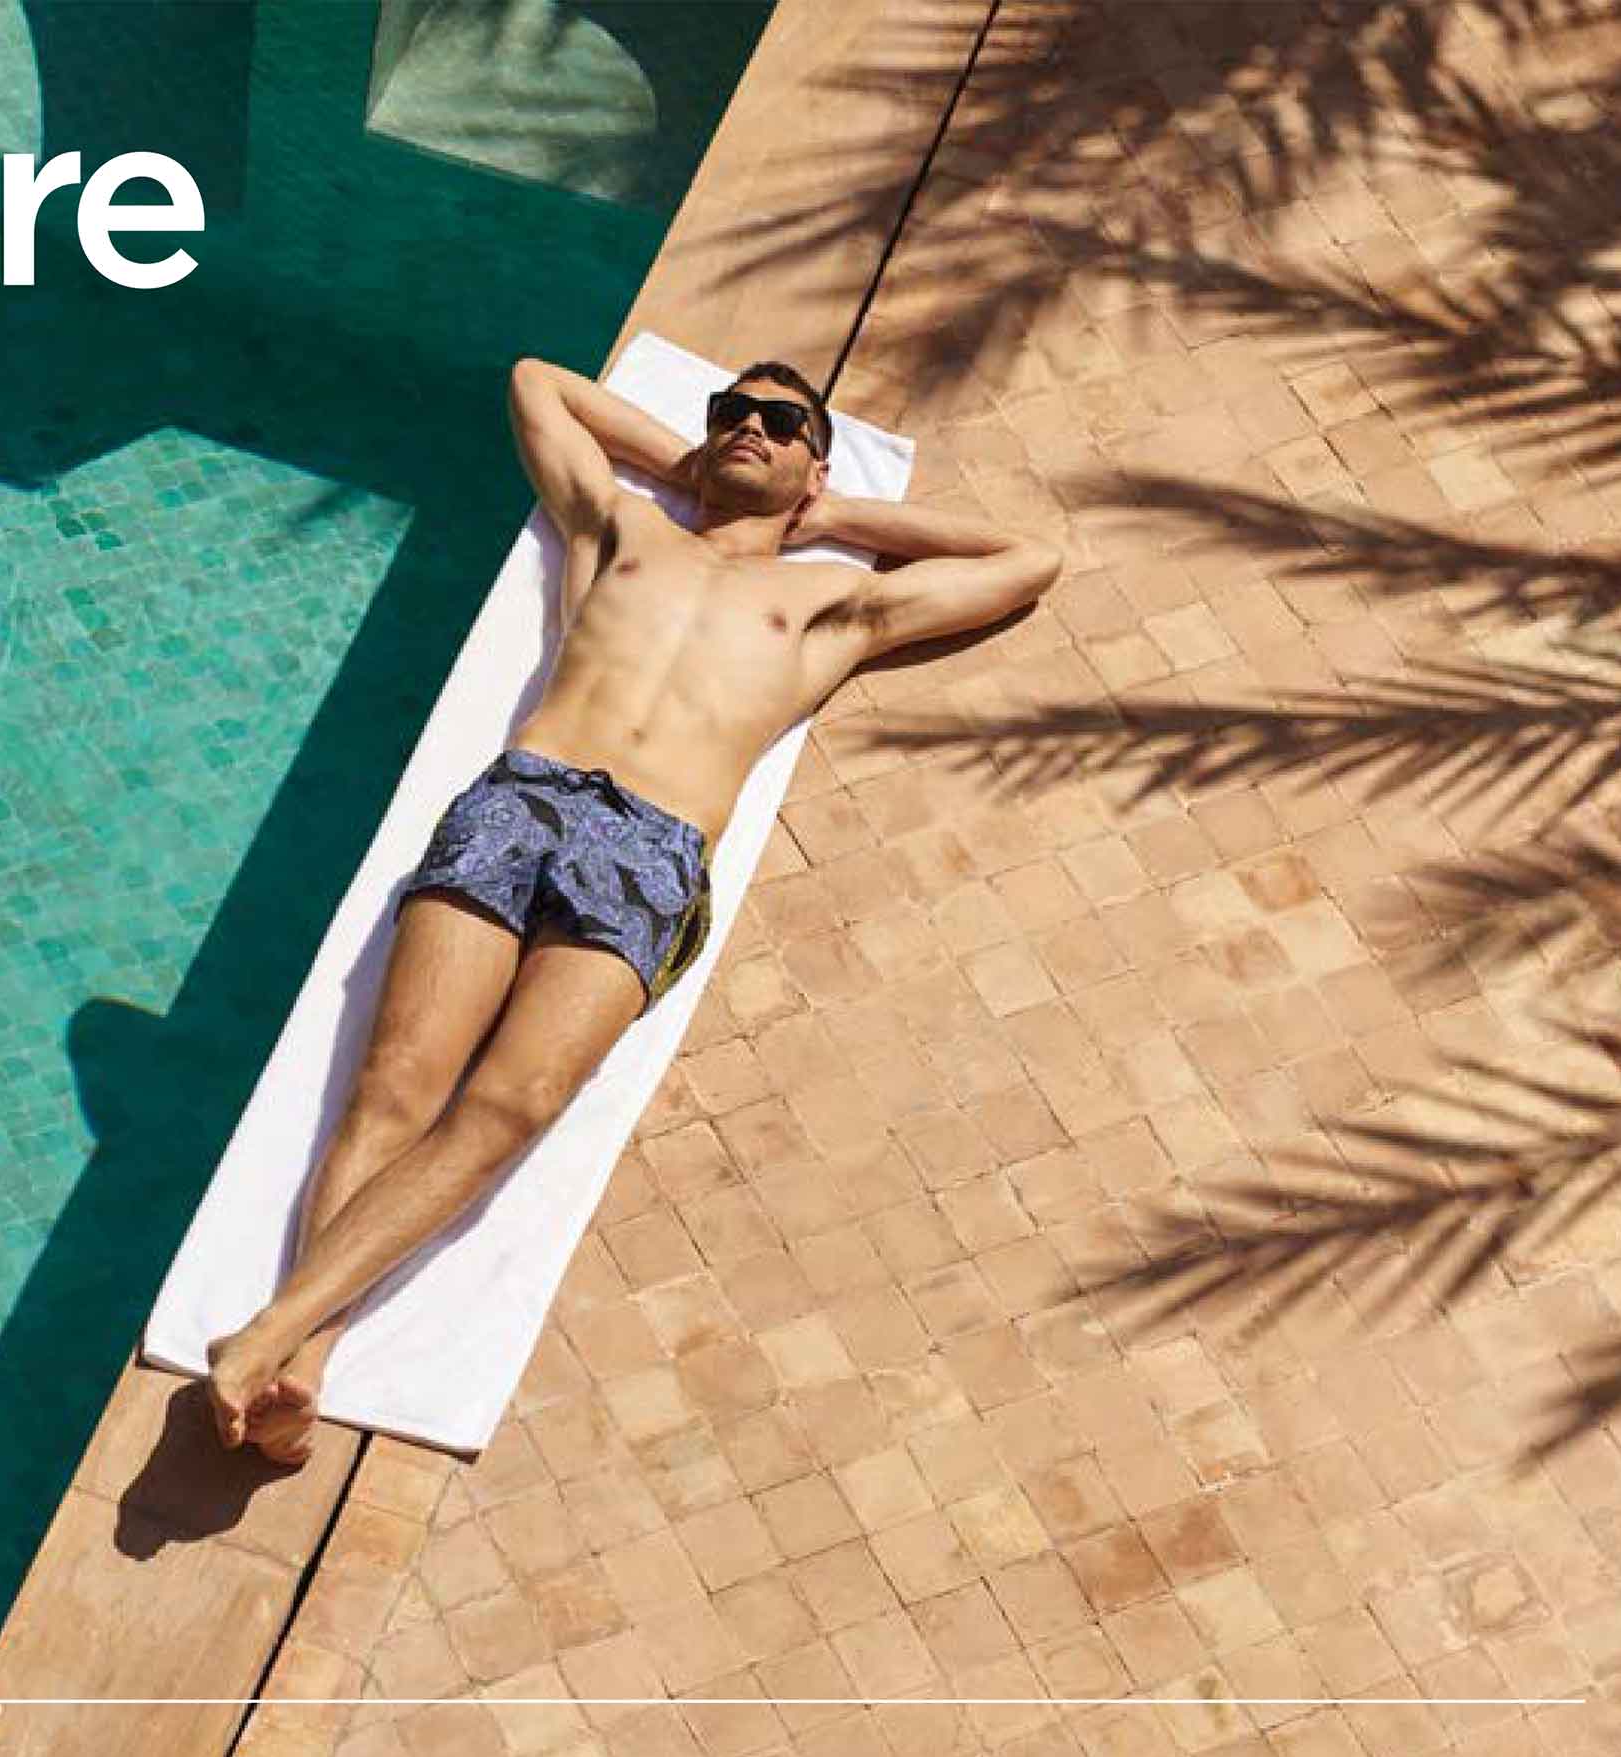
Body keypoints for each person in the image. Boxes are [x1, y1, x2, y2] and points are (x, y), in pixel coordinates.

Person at [206, 354, 1064, 1463]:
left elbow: (1029, 557)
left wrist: (835, 514)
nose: (749, 425)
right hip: (524, 799)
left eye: (780, 421)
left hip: (654, 844)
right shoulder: (616, 530)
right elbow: (532, 383)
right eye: (731, 413)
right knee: (394, 1087)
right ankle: (302, 1361)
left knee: (516, 1104)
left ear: (814, 457)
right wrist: (692, 462)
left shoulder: (832, 601)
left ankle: (266, 1331)